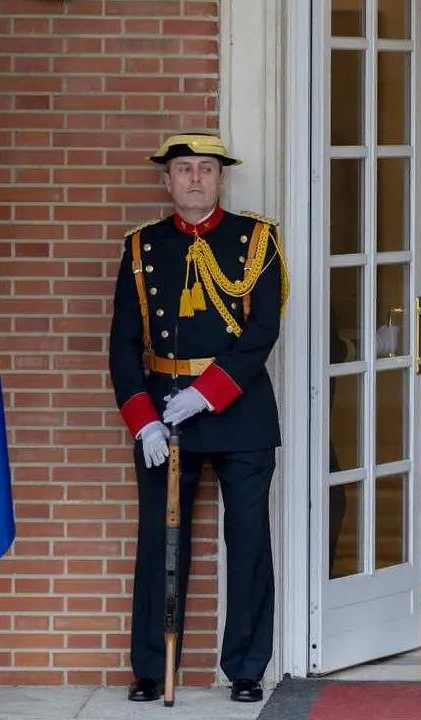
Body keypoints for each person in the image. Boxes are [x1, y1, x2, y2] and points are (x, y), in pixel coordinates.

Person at [108, 133, 288, 704]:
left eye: (205, 169)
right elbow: (121, 343)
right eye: (183, 169)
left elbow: (262, 331)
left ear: (220, 178)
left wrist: (207, 394)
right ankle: (151, 667)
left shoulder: (256, 239)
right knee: (161, 540)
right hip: (164, 410)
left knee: (249, 541)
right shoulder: (141, 248)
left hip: (238, 409)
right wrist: (144, 419)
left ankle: (246, 666)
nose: (193, 179)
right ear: (166, 181)